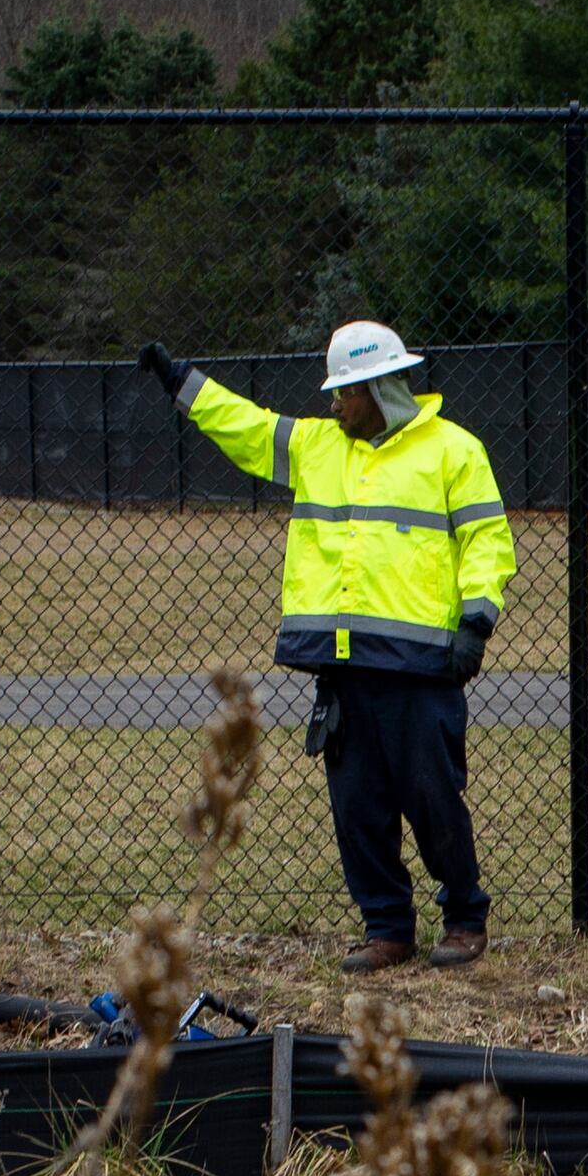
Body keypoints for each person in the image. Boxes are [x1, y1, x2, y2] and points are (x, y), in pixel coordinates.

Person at [139, 320, 514, 971]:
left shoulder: (453, 452)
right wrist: (182, 384)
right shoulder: (318, 446)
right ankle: (387, 928)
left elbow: (487, 539)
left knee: (430, 794)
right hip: (343, 666)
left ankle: (464, 919)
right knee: (357, 807)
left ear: (378, 389)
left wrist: (475, 621)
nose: (334, 404)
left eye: (345, 392)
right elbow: (248, 428)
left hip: (422, 666)